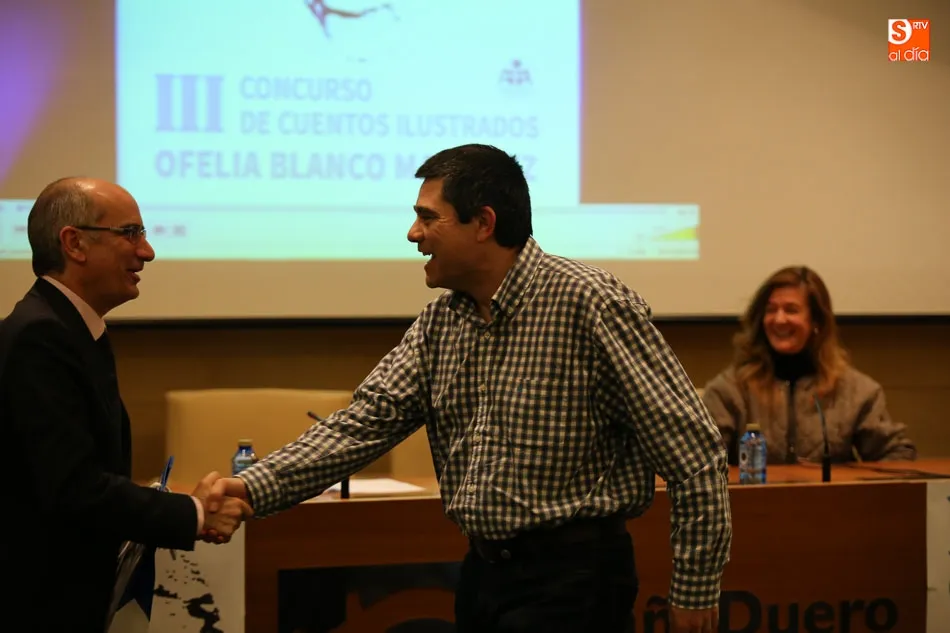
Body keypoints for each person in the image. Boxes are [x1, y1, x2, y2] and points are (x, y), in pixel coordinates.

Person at [206, 144, 732, 633]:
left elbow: (694, 454)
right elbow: (362, 425)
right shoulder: (442, 322)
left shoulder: (591, 304)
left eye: (428, 217)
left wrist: (695, 587)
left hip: (576, 580)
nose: (413, 234)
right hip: (482, 574)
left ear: (483, 223)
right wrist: (251, 488)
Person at [0, 177, 252, 633]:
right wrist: (194, 514)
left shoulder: (72, 328)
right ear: (74, 243)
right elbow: (74, 489)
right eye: (130, 233)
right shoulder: (40, 337)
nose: (147, 251)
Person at [702, 265, 917, 465]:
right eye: (771, 310)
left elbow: (898, 454)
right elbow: (701, 462)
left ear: (816, 322)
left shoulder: (855, 391)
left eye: (791, 310)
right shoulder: (730, 390)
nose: (779, 319)